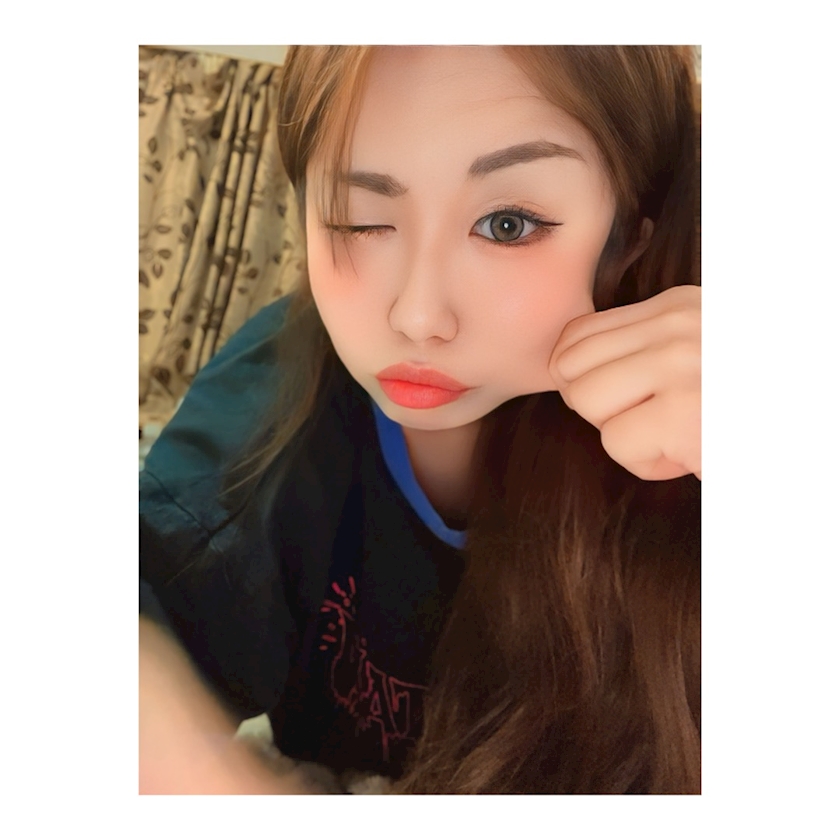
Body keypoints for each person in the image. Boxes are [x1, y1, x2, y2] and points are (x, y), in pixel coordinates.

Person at [140, 45, 701, 795]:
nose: (417, 316)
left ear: (628, 238)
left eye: (507, 224)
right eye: (359, 221)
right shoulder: (270, 406)